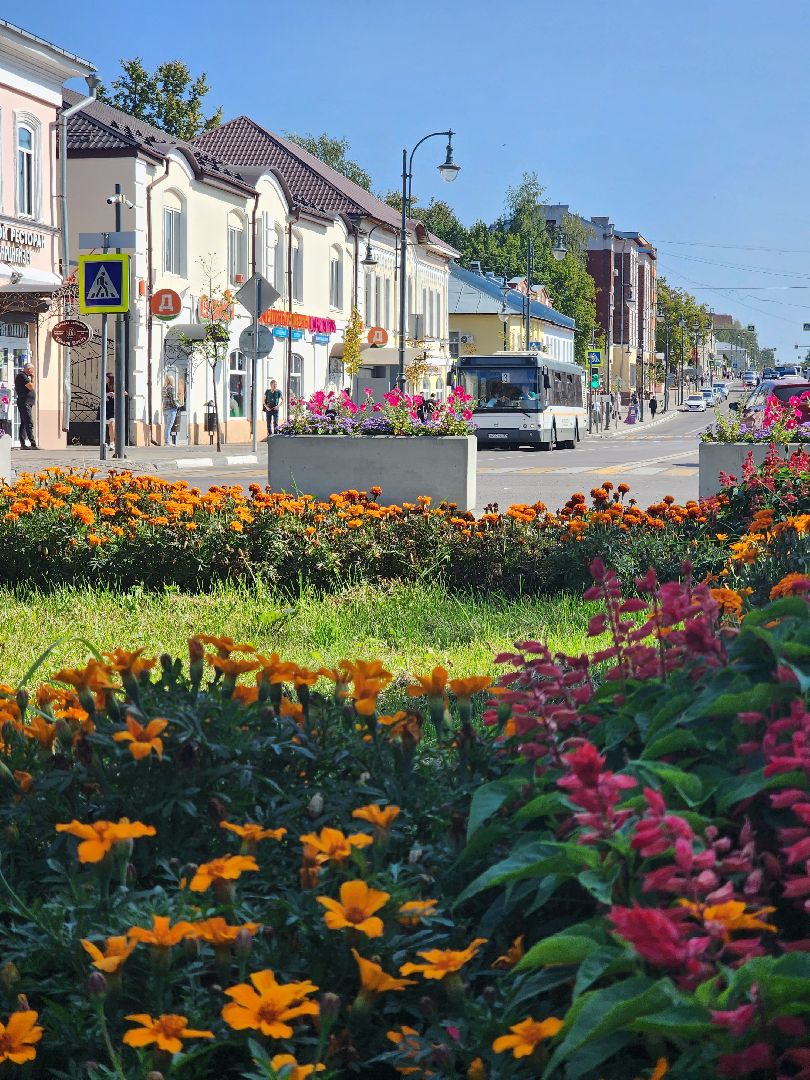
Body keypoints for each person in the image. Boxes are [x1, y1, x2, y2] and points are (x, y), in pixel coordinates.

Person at [14, 359, 36, 448]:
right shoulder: (22, 376)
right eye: (32, 369)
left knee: (24, 423)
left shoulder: (24, 376)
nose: (33, 371)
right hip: (24, 402)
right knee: (29, 422)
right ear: (29, 369)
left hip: (27, 402)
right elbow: (31, 387)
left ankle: (23, 444)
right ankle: (33, 444)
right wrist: (33, 378)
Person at [162, 376, 180, 445]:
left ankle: (167, 441)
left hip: (165, 408)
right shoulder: (171, 388)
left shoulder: (164, 388)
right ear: (172, 380)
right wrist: (177, 406)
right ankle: (167, 442)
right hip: (171, 409)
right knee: (169, 426)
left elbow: (164, 399)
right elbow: (173, 399)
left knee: (166, 426)